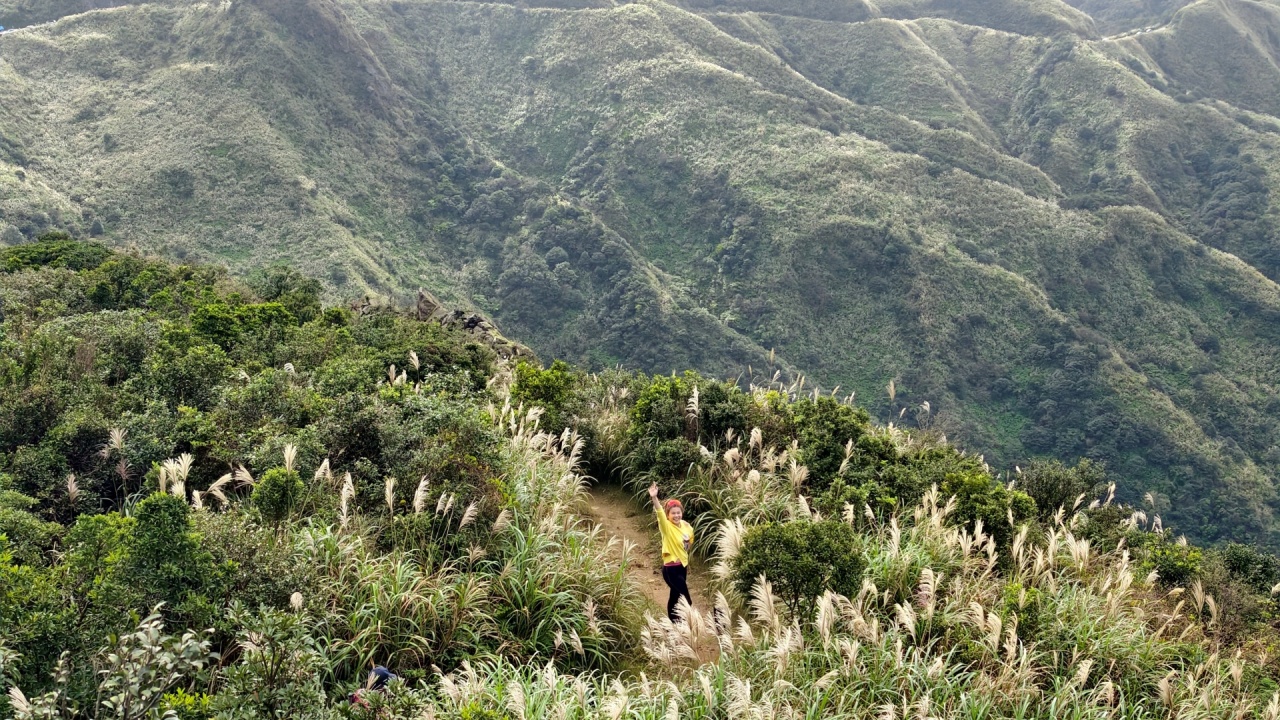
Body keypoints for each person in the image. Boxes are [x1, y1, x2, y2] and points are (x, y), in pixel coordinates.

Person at [648, 482, 694, 623]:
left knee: (675, 595)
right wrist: (655, 498)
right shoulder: (666, 527)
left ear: (682, 512)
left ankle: (673, 623)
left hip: (682, 567)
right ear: (668, 515)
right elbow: (660, 513)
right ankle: (685, 624)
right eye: (672, 513)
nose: (676, 515)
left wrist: (686, 546)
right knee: (686, 600)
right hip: (671, 569)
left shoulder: (687, 526)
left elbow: (689, 544)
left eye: (678, 512)